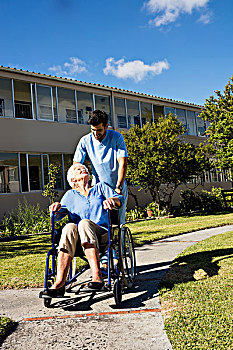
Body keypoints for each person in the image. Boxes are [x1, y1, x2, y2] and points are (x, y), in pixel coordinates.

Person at [46, 163, 123, 297]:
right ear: (73, 180)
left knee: (84, 223)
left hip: (101, 233)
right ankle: (59, 282)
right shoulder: (70, 195)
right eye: (78, 170)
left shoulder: (101, 187)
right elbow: (57, 217)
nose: (83, 169)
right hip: (77, 240)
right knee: (69, 227)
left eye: (84, 169)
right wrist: (55, 207)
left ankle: (97, 275)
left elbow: (119, 199)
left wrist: (112, 200)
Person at [73, 109, 128, 225]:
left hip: (116, 187)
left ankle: (121, 242)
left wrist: (119, 186)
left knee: (118, 224)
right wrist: (79, 185)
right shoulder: (85, 141)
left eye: (99, 130)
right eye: (93, 130)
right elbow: (76, 164)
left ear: (106, 126)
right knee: (98, 222)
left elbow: (122, 162)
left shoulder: (116, 138)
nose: (95, 134)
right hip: (97, 188)